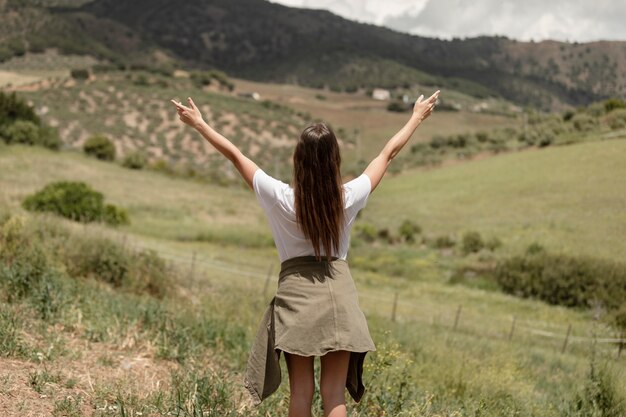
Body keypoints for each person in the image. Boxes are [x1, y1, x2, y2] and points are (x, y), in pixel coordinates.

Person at [171, 89, 439, 417]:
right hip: (338, 298)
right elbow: (387, 154)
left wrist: (200, 124)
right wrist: (416, 117)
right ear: (334, 160)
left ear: (298, 160)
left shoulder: (281, 198)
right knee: (333, 394)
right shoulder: (346, 198)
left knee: (301, 391)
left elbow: (236, 155)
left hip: (296, 299)